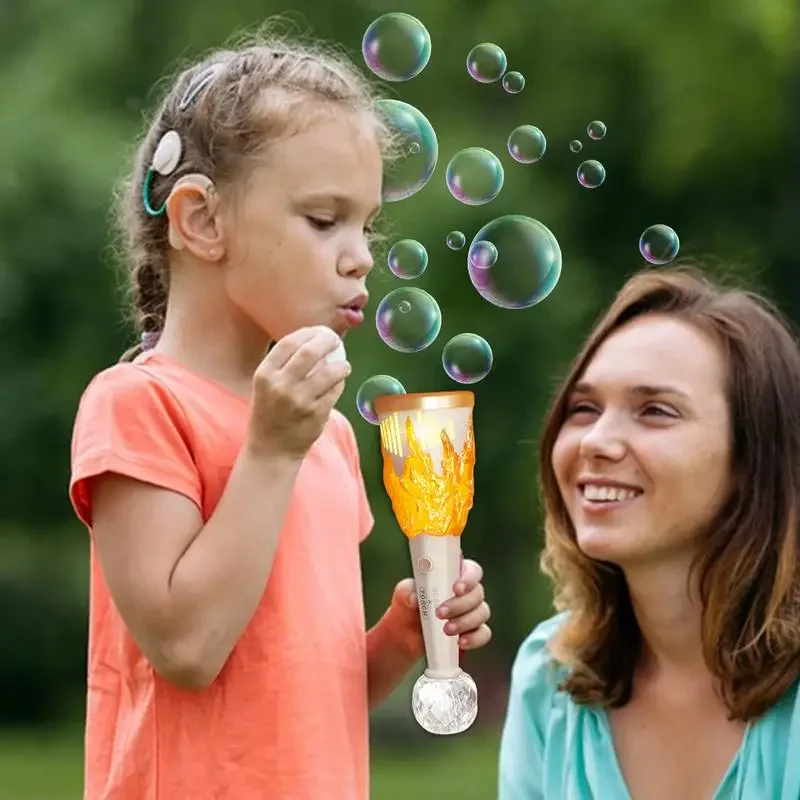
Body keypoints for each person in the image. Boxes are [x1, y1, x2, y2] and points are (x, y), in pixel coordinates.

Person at [68, 30, 492, 800]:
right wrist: (269, 451)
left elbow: (301, 699)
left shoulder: (325, 434)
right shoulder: (139, 404)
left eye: (368, 225)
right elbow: (189, 648)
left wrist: (399, 640)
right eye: (325, 220)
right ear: (201, 221)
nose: (360, 255)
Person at [498, 265, 800, 799]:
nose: (597, 440)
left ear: (754, 461)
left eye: (656, 411)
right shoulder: (549, 679)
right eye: (584, 408)